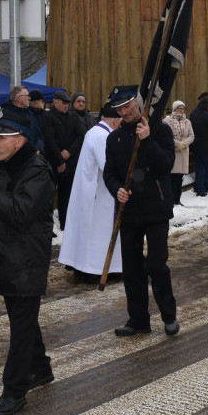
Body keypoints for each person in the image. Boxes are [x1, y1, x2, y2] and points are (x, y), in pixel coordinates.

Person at [0, 115, 55, 415]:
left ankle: (14, 391)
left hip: (27, 258)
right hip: (6, 255)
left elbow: (20, 213)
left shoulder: (37, 171)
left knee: (20, 325)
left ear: (20, 140)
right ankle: (41, 368)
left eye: (2, 139)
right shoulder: (0, 167)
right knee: (23, 318)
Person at [103, 85, 179, 336]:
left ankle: (169, 315)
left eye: (127, 106)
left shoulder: (160, 130)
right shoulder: (114, 138)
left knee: (157, 265)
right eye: (119, 108)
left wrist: (147, 140)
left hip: (156, 208)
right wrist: (117, 189)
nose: (123, 112)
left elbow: (165, 165)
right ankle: (138, 320)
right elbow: (110, 172)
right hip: (129, 212)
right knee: (132, 269)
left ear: (139, 104)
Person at [58, 102, 123, 283]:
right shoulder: (103, 137)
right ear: (116, 120)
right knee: (98, 234)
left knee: (89, 232)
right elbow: (109, 166)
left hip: (92, 190)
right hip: (101, 194)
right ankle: (95, 269)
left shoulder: (94, 132)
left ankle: (86, 266)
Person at [47, 90, 87, 230]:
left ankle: (65, 224)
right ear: (55, 102)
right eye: (64, 103)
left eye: (68, 103)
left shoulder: (73, 116)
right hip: (52, 162)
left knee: (66, 196)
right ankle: (48, 225)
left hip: (69, 162)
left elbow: (80, 135)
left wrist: (69, 152)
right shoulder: (48, 117)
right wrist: (59, 160)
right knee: (48, 196)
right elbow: (49, 140)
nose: (66, 106)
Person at [190, 95, 208, 197]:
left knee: (199, 168)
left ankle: (200, 189)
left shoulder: (194, 114)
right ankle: (206, 187)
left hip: (197, 145)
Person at [167, 100, 194, 205]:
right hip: (172, 152)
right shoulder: (167, 121)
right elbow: (167, 136)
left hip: (182, 153)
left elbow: (192, 136)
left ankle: (177, 200)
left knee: (179, 178)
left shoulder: (187, 122)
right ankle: (170, 200)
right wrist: (177, 144)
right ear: (174, 109)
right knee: (171, 178)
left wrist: (184, 144)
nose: (181, 111)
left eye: (183, 109)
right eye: (179, 108)